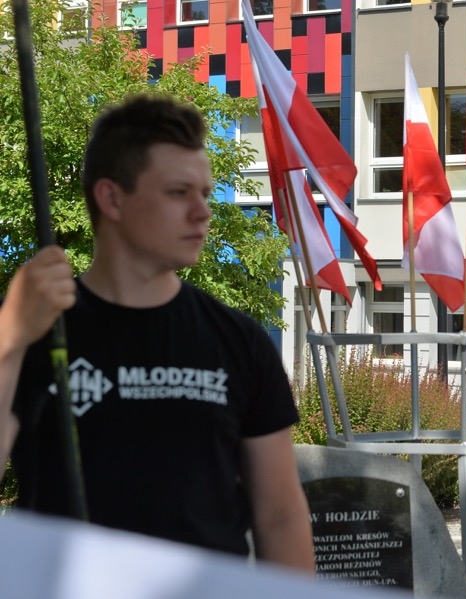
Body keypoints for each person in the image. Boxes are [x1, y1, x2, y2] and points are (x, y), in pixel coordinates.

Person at [0, 95, 314, 572]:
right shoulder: (36, 330)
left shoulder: (241, 341)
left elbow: (280, 517)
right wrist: (10, 336)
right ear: (112, 198)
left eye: (205, 194)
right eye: (178, 193)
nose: (203, 212)